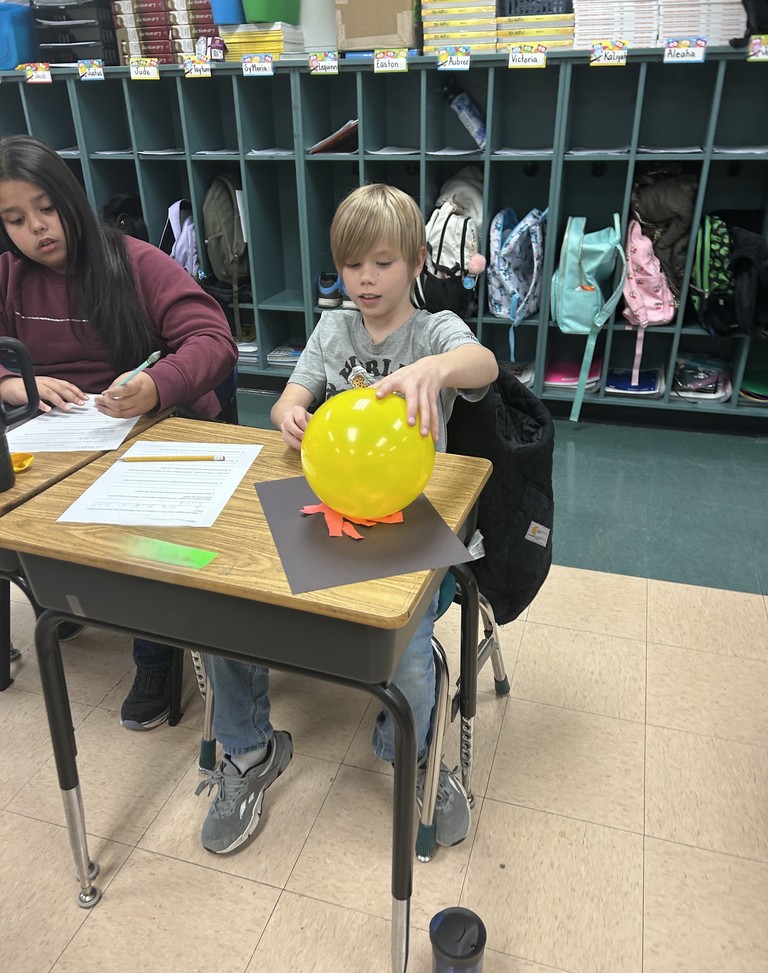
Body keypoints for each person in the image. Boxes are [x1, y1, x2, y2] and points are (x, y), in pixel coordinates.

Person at [198, 183, 498, 855]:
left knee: (412, 662)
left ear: (418, 262)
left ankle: (413, 751)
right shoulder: (333, 330)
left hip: (406, 525)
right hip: (326, 509)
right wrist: (289, 416)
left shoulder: (435, 332)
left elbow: (485, 365)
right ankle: (247, 751)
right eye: (351, 264)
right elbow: (288, 399)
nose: (364, 278)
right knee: (225, 604)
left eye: (383, 262)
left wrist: (436, 370)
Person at [0, 134, 238, 729]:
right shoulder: (9, 277)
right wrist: (11, 382)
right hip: (57, 434)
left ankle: (154, 654)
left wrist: (157, 385)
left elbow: (214, 339)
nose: (37, 228)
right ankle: (62, 591)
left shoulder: (131, 260)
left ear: (70, 197)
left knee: (140, 533)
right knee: (18, 506)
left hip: (148, 429)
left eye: (46, 208)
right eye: (15, 219)